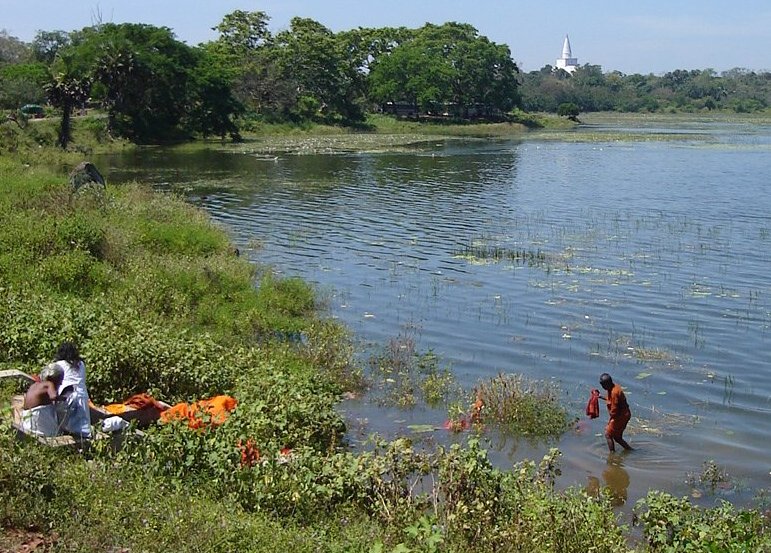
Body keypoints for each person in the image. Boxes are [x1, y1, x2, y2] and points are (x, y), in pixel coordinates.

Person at [53, 341, 92, 439]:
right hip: (82, 395)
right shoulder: (81, 364)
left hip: (67, 394)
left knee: (62, 422)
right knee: (83, 428)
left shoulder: (59, 364)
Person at [20, 364, 64, 437]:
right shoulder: (49, 384)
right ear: (54, 379)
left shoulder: (35, 385)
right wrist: (64, 398)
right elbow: (53, 396)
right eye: (60, 380)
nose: (61, 383)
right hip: (37, 421)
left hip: (26, 420)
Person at [599, 373, 633, 452]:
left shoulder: (614, 393)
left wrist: (611, 421)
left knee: (608, 434)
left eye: (603, 385)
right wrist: (601, 397)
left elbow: (614, 410)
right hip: (625, 414)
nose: (602, 387)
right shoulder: (614, 387)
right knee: (617, 438)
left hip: (620, 416)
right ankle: (630, 450)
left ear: (607, 384)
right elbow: (611, 400)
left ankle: (612, 455)